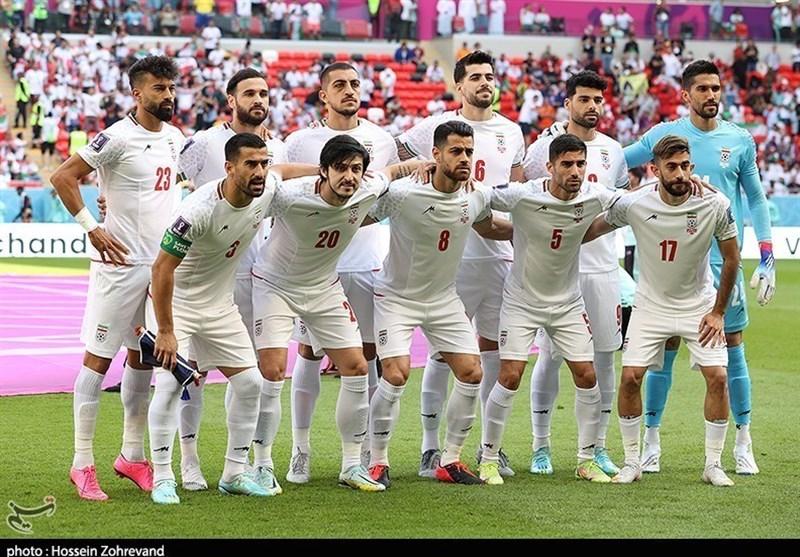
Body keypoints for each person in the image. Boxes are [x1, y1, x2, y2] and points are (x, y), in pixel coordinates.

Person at [147, 133, 317, 504]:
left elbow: (284, 172)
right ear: (229, 167)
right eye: (250, 164)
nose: (260, 171)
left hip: (220, 306)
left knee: (250, 383)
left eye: (263, 163)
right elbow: (161, 269)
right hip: (179, 306)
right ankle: (163, 477)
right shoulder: (197, 210)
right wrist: (166, 330)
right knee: (171, 385)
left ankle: (234, 473)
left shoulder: (266, 188)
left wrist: (325, 170)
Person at [624, 60, 774, 475]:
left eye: (716, 88)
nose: (711, 95)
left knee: (732, 347)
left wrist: (766, 254)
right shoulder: (664, 135)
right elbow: (616, 161)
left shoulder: (739, 139)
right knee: (664, 350)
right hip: (671, 259)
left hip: (722, 261)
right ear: (685, 94)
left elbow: (756, 198)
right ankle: (651, 441)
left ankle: (743, 441)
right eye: (703, 89)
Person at [250, 135, 423, 491]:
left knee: (357, 367)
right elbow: (272, 174)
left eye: (356, 169)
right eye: (340, 168)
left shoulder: (367, 187)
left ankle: (351, 466)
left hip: (323, 287)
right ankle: (262, 465)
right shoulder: (289, 196)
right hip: (275, 286)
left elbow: (391, 172)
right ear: (324, 170)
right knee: (273, 370)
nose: (349, 176)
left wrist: (421, 165)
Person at [50, 56, 185, 501]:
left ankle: (132, 456)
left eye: (171, 87)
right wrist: (93, 227)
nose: (168, 95)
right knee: (97, 360)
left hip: (160, 267)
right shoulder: (117, 137)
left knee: (143, 359)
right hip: (119, 265)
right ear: (137, 93)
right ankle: (81, 463)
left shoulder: (175, 138)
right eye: (159, 88)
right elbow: (63, 176)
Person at [396, 50, 525, 478]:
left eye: (490, 76)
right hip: (452, 259)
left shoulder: (512, 131)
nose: (485, 83)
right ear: (459, 86)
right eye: (475, 77)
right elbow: (398, 155)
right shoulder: (435, 126)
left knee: (493, 352)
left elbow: (516, 193)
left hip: (498, 257)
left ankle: (490, 447)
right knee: (440, 354)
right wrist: (416, 167)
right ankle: (430, 448)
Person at [584, 135, 740, 487]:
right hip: (650, 305)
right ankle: (632, 462)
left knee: (717, 377)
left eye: (685, 166)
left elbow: (732, 258)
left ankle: (713, 464)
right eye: (672, 167)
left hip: (699, 305)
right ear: (655, 170)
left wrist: (718, 312)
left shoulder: (715, 203)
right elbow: (592, 229)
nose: (680, 174)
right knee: (630, 378)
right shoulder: (635, 203)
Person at [365, 121, 512, 487]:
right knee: (395, 374)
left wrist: (538, 232)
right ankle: (376, 460)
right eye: (455, 151)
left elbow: (488, 227)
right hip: (397, 298)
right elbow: (361, 215)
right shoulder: (404, 194)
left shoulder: (476, 195)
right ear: (435, 154)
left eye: (468, 152)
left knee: (472, 372)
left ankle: (451, 459)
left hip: (444, 299)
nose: (464, 159)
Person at [159, 68, 285, 491]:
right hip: (192, 277)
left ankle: (241, 467)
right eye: (249, 92)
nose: (258, 99)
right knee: (184, 378)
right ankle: (183, 464)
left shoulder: (272, 154)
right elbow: (167, 182)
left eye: (264, 92)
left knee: (251, 378)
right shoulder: (203, 144)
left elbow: (288, 177)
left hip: (247, 280)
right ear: (231, 99)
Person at [480, 134, 622, 485]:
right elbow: (481, 197)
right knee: (510, 376)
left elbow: (631, 203)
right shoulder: (523, 194)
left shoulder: (593, 195)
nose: (575, 171)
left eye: (580, 164)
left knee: (587, 376)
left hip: (567, 303)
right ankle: (488, 458)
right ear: (550, 166)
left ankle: (586, 460)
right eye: (567, 164)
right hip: (521, 301)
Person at [282, 62, 399, 483]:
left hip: (368, 263)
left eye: (354, 84)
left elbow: (391, 192)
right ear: (323, 95)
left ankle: (365, 452)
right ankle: (300, 449)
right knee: (309, 353)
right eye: (340, 85)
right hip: (316, 269)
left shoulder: (382, 139)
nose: (349, 91)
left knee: (367, 357)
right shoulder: (299, 142)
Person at [522, 71, 629, 476]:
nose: (593, 106)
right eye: (584, 99)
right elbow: (527, 197)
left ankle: (598, 447)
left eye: (598, 100)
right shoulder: (542, 148)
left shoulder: (614, 151)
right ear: (568, 103)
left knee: (604, 359)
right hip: (557, 270)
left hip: (602, 269)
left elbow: (618, 206)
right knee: (550, 357)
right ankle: (540, 446)